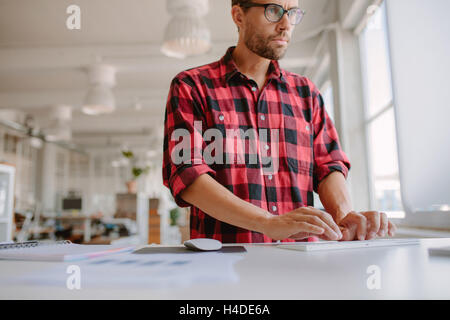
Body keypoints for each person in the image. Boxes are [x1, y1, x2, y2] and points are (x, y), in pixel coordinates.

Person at [162, 0, 397, 243]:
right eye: (273, 11)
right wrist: (267, 222)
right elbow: (188, 175)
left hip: (301, 264)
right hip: (223, 264)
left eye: (292, 13)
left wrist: (343, 215)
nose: (286, 24)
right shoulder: (191, 87)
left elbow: (329, 165)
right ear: (238, 16)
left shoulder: (307, 93)